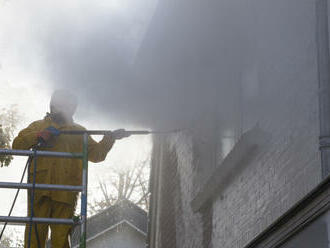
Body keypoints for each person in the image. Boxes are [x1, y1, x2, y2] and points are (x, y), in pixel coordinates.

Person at [12, 90, 120, 248]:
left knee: (60, 239)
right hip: (40, 189)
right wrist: (39, 135)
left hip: (66, 192)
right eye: (58, 105)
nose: (61, 109)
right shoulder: (38, 126)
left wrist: (109, 139)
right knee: (34, 237)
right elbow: (17, 145)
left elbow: (96, 154)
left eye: (66, 106)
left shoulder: (79, 132)